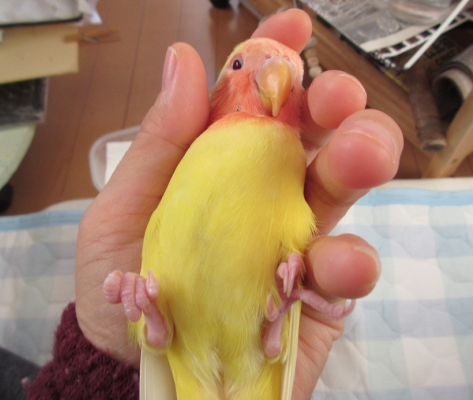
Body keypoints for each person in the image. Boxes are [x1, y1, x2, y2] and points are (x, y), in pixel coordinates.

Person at [27, 9, 403, 399]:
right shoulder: (199, 142)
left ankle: (265, 327)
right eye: (239, 65)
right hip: (180, 356)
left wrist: (292, 277)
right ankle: (158, 321)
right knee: (161, 321)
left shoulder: (290, 150)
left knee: (284, 291)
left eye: (293, 79)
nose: (273, 76)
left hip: (252, 357)